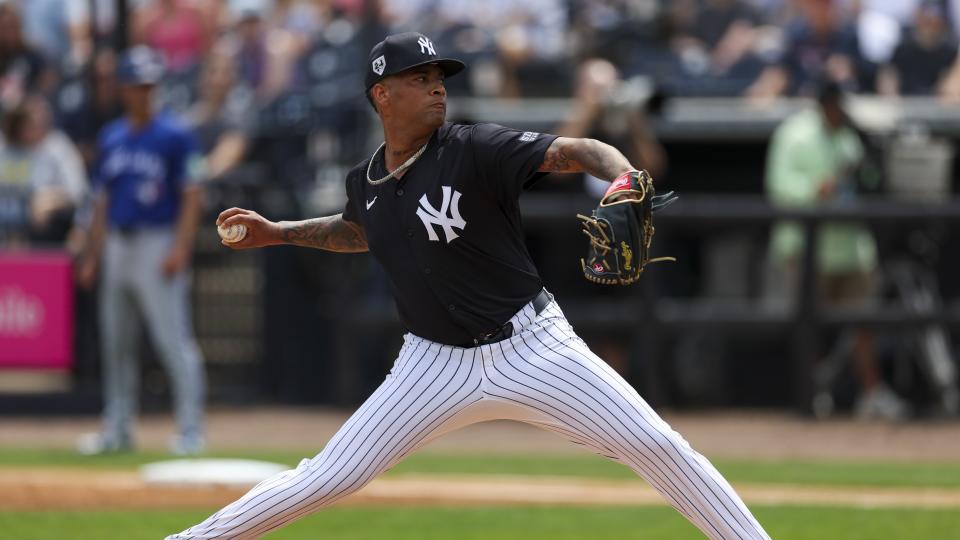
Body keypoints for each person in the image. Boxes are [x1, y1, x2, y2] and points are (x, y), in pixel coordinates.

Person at [167, 32, 770, 539]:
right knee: (328, 477)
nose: (437, 86)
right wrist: (279, 232)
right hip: (431, 362)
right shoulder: (366, 180)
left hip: (533, 348)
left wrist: (622, 179)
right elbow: (358, 230)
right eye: (419, 76)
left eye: (440, 76)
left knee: (658, 447)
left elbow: (582, 149)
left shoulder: (475, 147)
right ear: (382, 94)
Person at [75, 46, 206, 456]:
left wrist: (181, 246)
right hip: (118, 242)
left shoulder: (177, 133)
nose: (143, 92)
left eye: (149, 84)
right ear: (123, 88)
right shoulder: (112, 135)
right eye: (137, 85)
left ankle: (190, 428)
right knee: (116, 343)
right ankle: (117, 427)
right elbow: (101, 201)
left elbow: (192, 193)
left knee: (172, 340)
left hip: (158, 240)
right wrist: (94, 254)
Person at [765, 81, 908, 421]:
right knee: (809, 328)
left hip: (850, 247)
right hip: (805, 248)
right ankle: (810, 396)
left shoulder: (848, 136)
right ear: (823, 105)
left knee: (863, 325)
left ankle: (872, 394)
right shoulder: (794, 135)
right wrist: (818, 189)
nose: (839, 114)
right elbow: (780, 188)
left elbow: (865, 184)